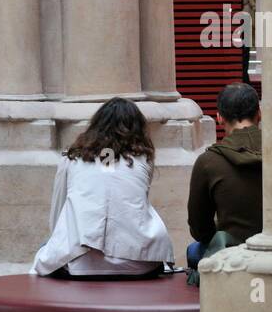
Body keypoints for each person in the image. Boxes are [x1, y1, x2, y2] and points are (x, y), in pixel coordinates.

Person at [31, 99, 174, 279]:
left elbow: (59, 210)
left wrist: (56, 244)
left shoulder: (72, 158)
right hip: (139, 262)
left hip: (79, 262)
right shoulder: (143, 159)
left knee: (46, 247)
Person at [186, 83, 262, 270]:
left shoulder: (208, 161)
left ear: (219, 118)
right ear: (259, 114)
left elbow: (199, 229)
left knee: (193, 250)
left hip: (231, 255)